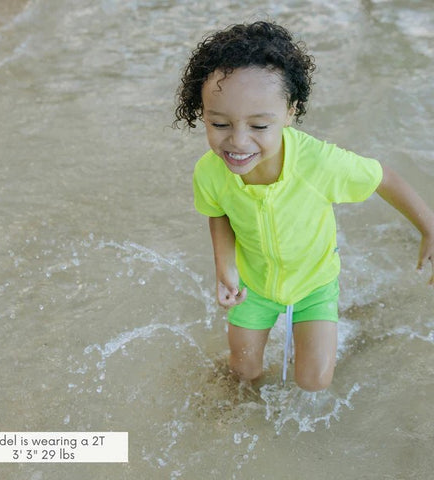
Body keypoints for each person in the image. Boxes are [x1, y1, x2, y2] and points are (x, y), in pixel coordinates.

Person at [174, 21, 434, 392]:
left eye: (260, 126)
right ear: (202, 113)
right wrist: (225, 269)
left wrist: (429, 227)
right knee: (243, 372)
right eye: (219, 123)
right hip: (256, 285)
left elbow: (384, 178)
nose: (238, 141)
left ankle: (330, 333)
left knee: (313, 383)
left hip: (314, 283)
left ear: (290, 112)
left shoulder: (319, 164)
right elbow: (218, 213)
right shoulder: (210, 172)